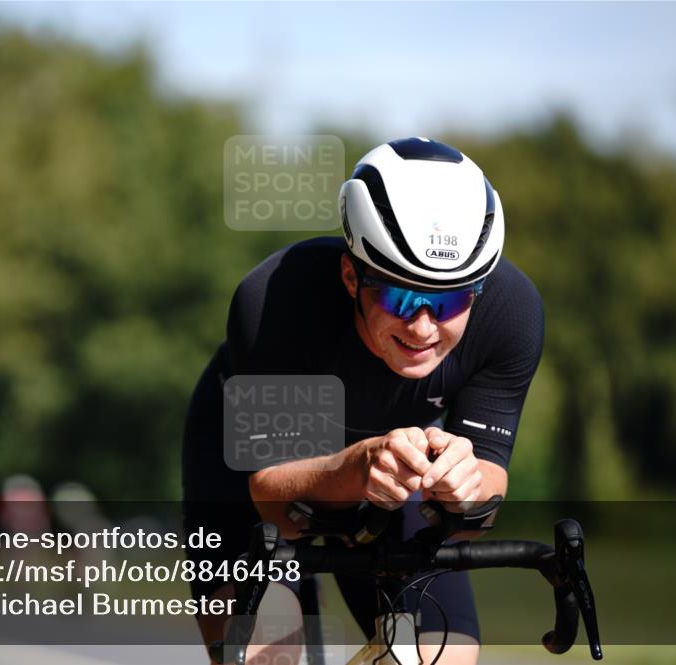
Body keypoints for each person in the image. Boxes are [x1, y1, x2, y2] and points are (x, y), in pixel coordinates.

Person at [183, 137, 544, 664]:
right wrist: (356, 469)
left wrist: (465, 486)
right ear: (352, 276)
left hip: (390, 475)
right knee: (264, 652)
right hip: (252, 469)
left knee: (443, 658)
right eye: (401, 297)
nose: (423, 328)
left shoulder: (512, 314)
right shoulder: (278, 299)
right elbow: (275, 504)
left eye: (450, 301)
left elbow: (481, 505)